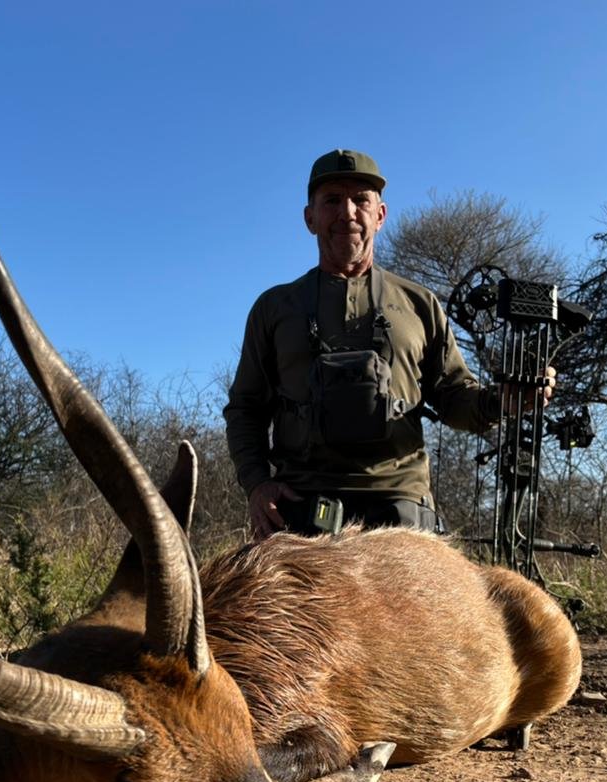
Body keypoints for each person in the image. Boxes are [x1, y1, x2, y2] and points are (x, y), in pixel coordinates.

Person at [224, 148, 552, 538]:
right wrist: (257, 484)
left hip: (401, 502)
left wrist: (503, 402)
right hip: (301, 501)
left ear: (380, 215)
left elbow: (453, 397)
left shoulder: (420, 303)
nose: (347, 212)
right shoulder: (275, 307)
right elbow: (245, 408)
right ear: (310, 218)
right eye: (332, 200)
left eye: (361, 200)